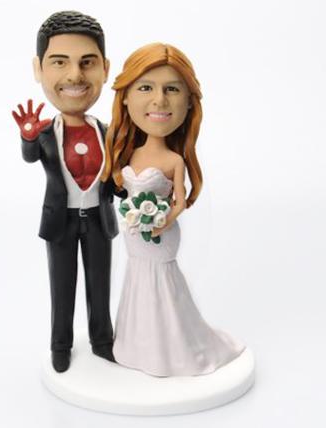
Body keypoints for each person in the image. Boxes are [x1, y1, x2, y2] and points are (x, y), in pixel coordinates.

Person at [102, 43, 245, 376]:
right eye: (146, 88)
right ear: (125, 97)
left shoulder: (174, 160)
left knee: (161, 281)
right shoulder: (128, 153)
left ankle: (173, 349)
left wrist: (165, 221)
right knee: (137, 278)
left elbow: (179, 200)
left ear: (189, 101)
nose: (159, 100)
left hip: (161, 233)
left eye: (172, 89)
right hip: (135, 234)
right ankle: (137, 346)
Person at [12, 11, 119, 373]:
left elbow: (118, 173)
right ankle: (61, 345)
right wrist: (28, 136)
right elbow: (30, 157)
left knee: (100, 284)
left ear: (105, 69)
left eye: (87, 62)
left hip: (99, 219)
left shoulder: (108, 132)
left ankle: (103, 341)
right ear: (38, 69)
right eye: (59, 62)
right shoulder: (46, 134)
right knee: (62, 287)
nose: (75, 75)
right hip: (61, 221)